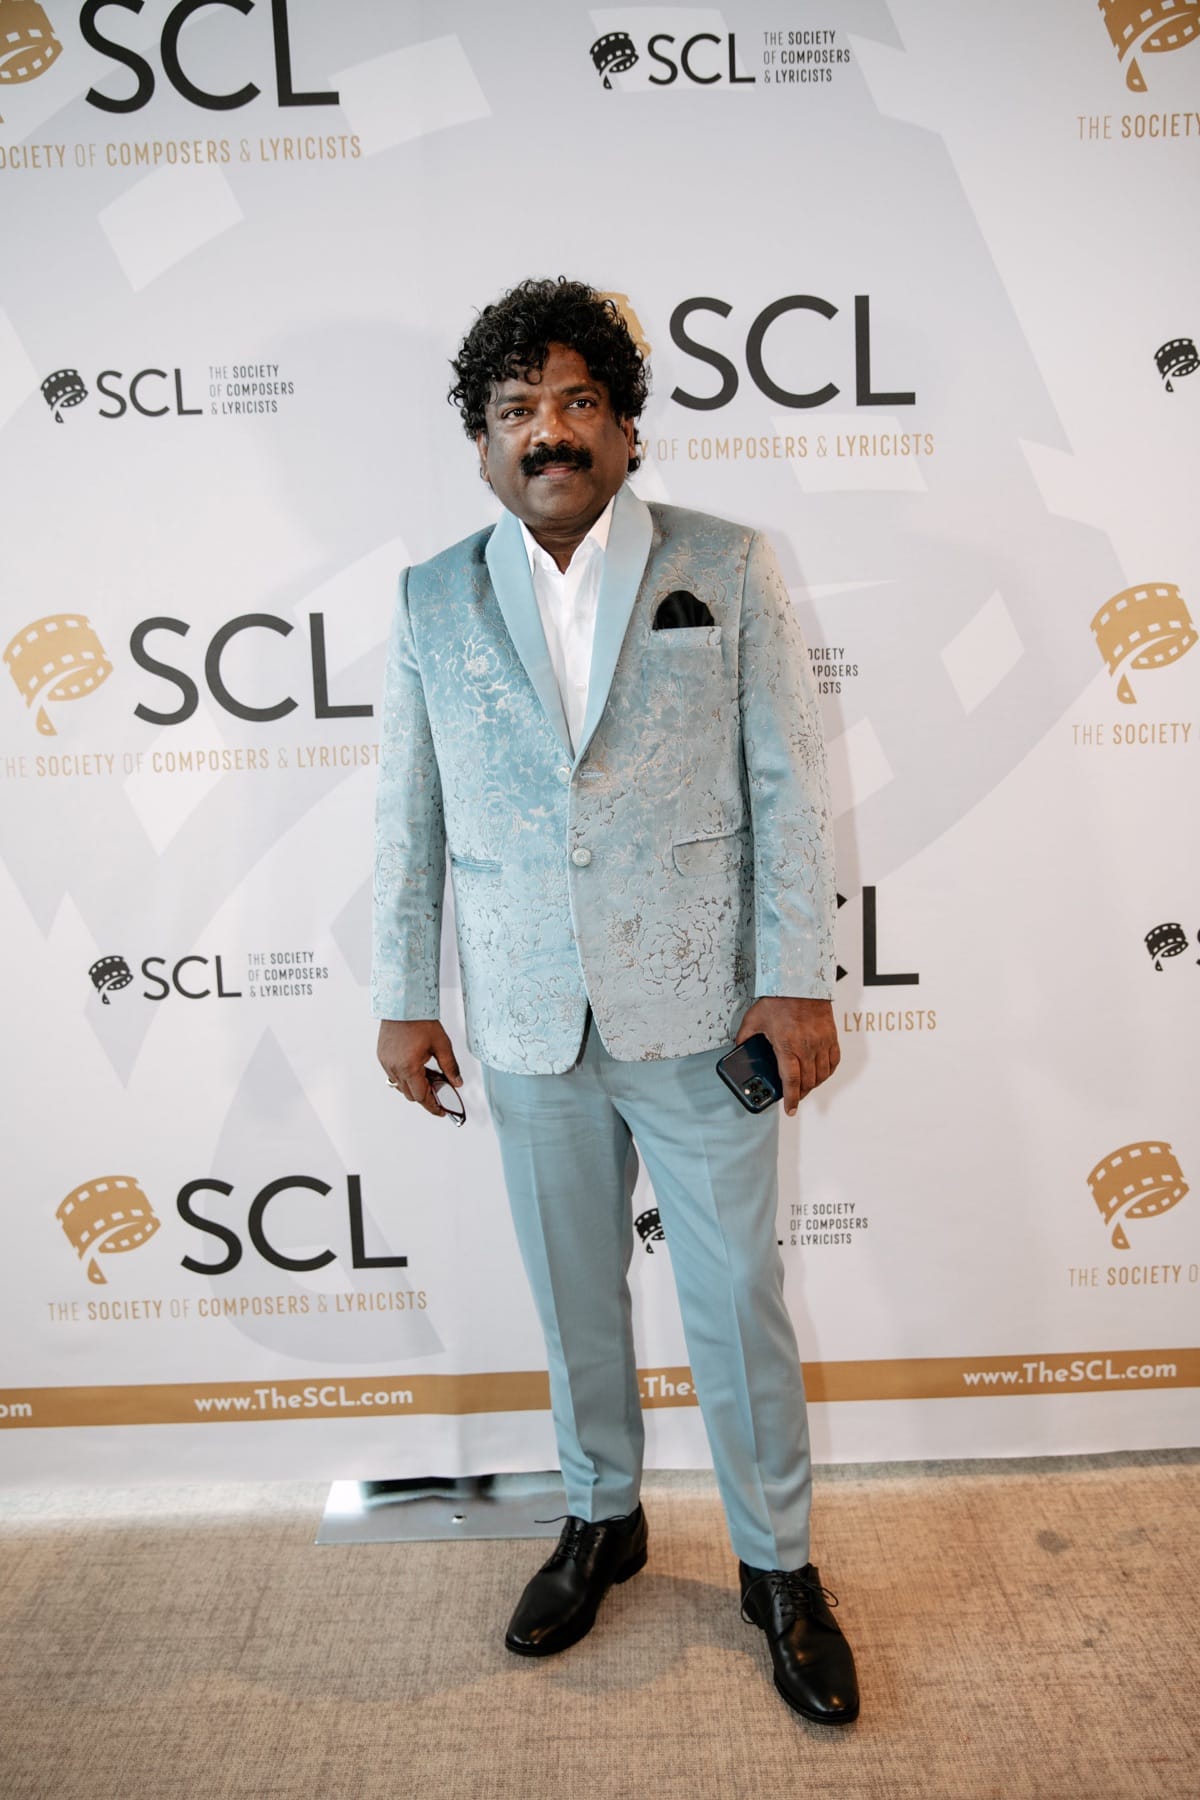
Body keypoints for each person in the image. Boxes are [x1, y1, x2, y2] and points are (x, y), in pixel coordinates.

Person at [372, 277, 858, 1725]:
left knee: (735, 1300)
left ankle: (779, 1567)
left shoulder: (727, 563)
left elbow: (788, 787)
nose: (550, 432)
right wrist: (404, 995)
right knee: (573, 1293)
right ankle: (602, 1517)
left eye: (579, 402)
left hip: (705, 1016)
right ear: (481, 443)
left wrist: (794, 983)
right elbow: (409, 815)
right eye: (516, 409)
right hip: (528, 1017)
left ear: (628, 429)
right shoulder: (431, 596)